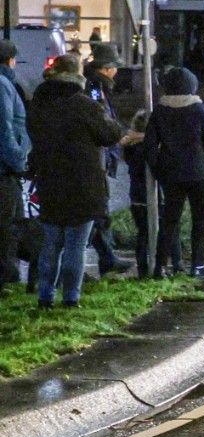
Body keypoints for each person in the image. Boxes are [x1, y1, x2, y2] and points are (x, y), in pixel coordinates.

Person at [28, 54, 128, 308]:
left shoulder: (38, 104)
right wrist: (103, 108)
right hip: (83, 184)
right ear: (77, 77)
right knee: (75, 243)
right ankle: (71, 298)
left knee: (51, 243)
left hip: (49, 181)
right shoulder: (84, 104)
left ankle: (45, 297)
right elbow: (111, 134)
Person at [145, 67, 204, 280]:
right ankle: (198, 265)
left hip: (170, 174)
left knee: (170, 220)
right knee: (200, 219)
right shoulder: (198, 108)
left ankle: (160, 267)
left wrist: (156, 170)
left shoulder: (160, 110)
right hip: (199, 172)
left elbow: (150, 145)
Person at [83, 42, 135, 276]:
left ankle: (107, 257)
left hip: (100, 156)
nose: (117, 72)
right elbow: (100, 119)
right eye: (114, 67)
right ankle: (106, 258)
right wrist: (117, 138)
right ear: (106, 68)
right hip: (97, 158)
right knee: (98, 211)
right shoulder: (95, 88)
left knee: (98, 211)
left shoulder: (97, 85)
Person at [0, 40, 31, 292]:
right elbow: (5, 129)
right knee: (8, 226)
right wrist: (18, 162)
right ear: (10, 60)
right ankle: (7, 277)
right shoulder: (2, 85)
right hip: (4, 170)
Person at [123, 111, 157, 279]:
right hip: (151, 195)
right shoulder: (148, 148)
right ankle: (157, 268)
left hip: (136, 196)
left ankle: (143, 269)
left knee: (142, 233)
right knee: (158, 231)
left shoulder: (129, 145)